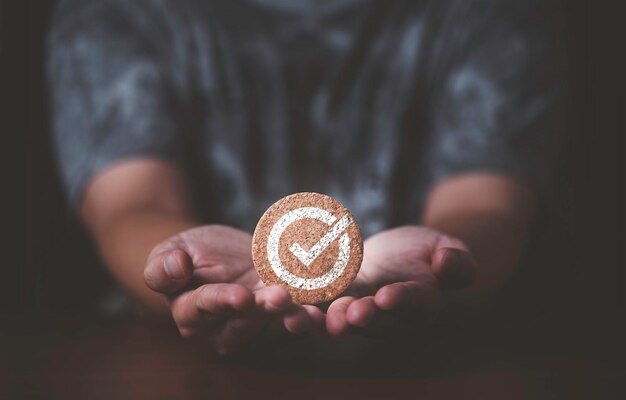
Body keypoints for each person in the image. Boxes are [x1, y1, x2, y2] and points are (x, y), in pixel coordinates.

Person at [48, 0, 560, 354]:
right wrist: (182, 269)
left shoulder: (487, 13)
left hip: (442, 362)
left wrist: (445, 260)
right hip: (178, 362)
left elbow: (490, 206)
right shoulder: (118, 13)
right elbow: (130, 205)